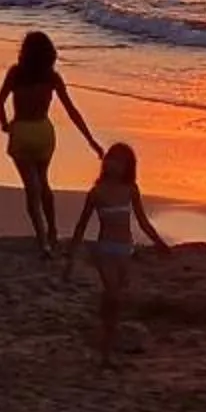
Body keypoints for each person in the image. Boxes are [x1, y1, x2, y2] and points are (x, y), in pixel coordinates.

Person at [0, 30, 102, 254]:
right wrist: (91, 141)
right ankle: (53, 230)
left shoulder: (16, 73)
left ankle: (43, 239)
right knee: (43, 183)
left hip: (22, 131)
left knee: (31, 189)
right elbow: (72, 111)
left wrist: (5, 124)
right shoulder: (52, 77)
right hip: (43, 132)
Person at [62, 142, 169, 353]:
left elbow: (143, 222)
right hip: (106, 250)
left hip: (125, 249)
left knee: (115, 298)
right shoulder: (97, 192)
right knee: (113, 294)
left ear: (128, 166)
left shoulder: (130, 190)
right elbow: (81, 225)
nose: (114, 165)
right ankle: (106, 344)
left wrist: (160, 243)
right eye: (111, 159)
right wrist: (71, 256)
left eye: (120, 161)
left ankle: (105, 332)